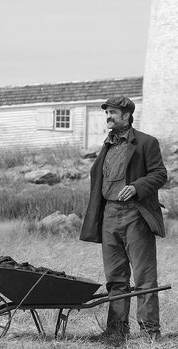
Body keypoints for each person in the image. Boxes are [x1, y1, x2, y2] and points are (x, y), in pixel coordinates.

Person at [80, 96, 167, 343]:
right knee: (116, 278)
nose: (108, 116)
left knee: (144, 278)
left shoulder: (146, 143)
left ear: (127, 115)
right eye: (107, 112)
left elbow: (160, 174)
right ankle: (116, 331)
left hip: (135, 215)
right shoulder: (107, 145)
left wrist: (138, 186)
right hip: (109, 215)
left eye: (113, 113)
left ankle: (150, 332)